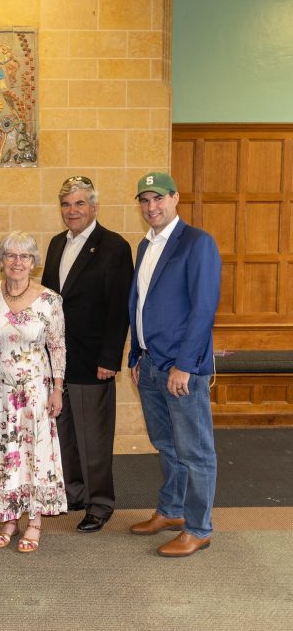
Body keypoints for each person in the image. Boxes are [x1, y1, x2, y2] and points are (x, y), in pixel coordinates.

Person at [128, 172, 221, 557]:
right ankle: (172, 510)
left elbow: (203, 309)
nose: (152, 207)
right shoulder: (144, 245)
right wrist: (136, 354)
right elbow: (140, 304)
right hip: (150, 364)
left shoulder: (197, 243)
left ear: (175, 198)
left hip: (181, 368)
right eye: (145, 200)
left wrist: (185, 364)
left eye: (159, 199)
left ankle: (199, 528)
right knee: (165, 443)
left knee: (195, 451)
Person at [41, 176, 133, 533]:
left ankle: (100, 503)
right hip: (57, 361)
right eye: (66, 204)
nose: (72, 211)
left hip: (93, 360)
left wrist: (110, 358)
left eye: (79, 204)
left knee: (93, 436)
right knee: (64, 433)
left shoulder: (113, 246)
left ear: (94, 206)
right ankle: (74, 492)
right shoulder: (54, 245)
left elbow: (118, 309)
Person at [0, 231, 66, 552]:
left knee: (33, 457)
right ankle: (8, 519)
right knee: (5, 458)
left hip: (35, 396)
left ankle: (34, 522)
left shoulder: (49, 300)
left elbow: (57, 347)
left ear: (34, 262)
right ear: (0, 260)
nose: (17, 262)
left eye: (24, 256)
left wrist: (58, 389)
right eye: (10, 255)